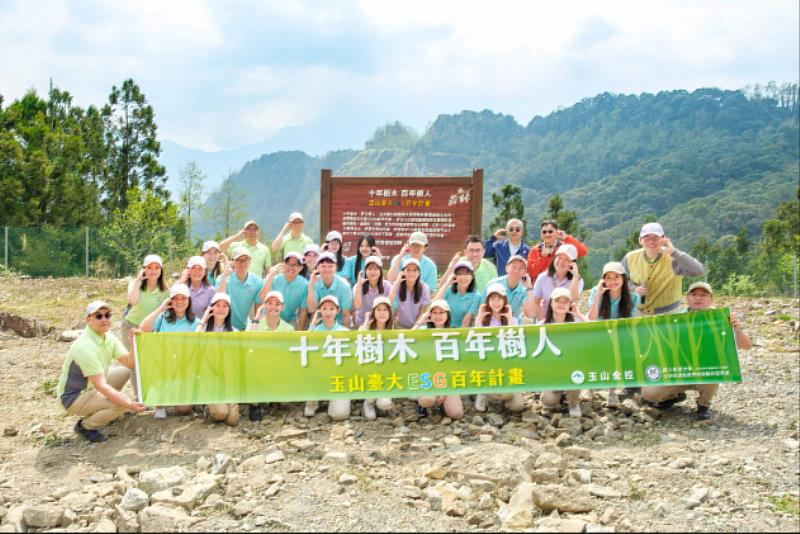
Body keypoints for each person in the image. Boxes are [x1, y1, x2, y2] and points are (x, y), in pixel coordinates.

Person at [641, 282, 752, 420]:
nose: (698, 298)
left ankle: (703, 404)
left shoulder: (721, 319)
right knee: (648, 393)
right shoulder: (676, 319)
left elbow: (747, 346)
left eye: (703, 295)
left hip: (705, 372)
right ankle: (673, 396)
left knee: (714, 368)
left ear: (711, 299)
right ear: (687, 298)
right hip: (679, 371)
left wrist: (737, 328)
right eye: (694, 294)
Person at [57, 301, 146, 442]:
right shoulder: (85, 347)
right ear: (88, 319)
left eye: (107, 315)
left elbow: (130, 363)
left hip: (93, 386)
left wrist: (133, 343)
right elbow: (101, 386)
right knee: (122, 404)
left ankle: (106, 409)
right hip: (74, 397)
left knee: (124, 371)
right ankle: (86, 426)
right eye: (98, 316)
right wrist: (128, 404)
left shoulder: (107, 336)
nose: (104, 319)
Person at [136, 283, 199, 420]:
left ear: (189, 301)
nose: (180, 302)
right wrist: (161, 308)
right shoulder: (163, 317)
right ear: (171, 301)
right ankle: (161, 404)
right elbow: (144, 328)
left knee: (184, 408)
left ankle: (174, 395)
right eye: (176, 298)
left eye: (184, 298)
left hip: (183, 367)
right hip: (162, 365)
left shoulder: (195, 322)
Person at [621, 222, 705, 316]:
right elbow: (620, 280)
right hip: (637, 311)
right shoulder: (630, 258)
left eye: (656, 237)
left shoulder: (673, 259)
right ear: (640, 240)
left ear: (663, 240)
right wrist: (634, 289)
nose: (651, 241)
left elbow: (699, 271)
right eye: (647, 237)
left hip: (668, 314)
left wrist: (674, 252)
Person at [586, 262, 640, 407]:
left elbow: (630, 322)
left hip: (619, 335)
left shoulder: (633, 297)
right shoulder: (596, 292)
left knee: (616, 353)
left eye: (616, 277)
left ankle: (612, 391)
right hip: (597, 333)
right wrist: (598, 294)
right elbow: (591, 318)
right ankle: (589, 388)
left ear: (623, 279)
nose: (612, 281)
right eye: (608, 277)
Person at [473, 284, 525, 413]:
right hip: (488, 364)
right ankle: (484, 393)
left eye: (499, 299)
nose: (496, 302)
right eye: (492, 299)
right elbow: (475, 340)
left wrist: (508, 318)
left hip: (508, 364)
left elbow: (515, 341)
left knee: (518, 406)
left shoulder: (513, 319)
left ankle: (501, 398)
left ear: (504, 301)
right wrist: (480, 317)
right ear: (487, 301)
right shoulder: (483, 320)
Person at [411, 299, 464, 420]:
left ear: (448, 315)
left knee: (456, 414)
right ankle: (421, 403)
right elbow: (406, 340)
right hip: (427, 377)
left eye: (441, 312)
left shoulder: (454, 334)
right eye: (434, 312)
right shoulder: (423, 331)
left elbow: (457, 365)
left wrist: (445, 392)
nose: (438, 316)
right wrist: (420, 322)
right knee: (427, 400)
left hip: (448, 379)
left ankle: (442, 404)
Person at [539, 287, 585, 418]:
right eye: (557, 300)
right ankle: (560, 394)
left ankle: (573, 403)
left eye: (566, 301)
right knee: (549, 401)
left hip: (572, 370)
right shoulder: (542, 325)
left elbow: (596, 332)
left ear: (571, 304)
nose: (561, 304)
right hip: (551, 372)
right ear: (551, 303)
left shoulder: (576, 323)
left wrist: (580, 316)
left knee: (575, 376)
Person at [195, 293, 239, 426]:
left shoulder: (234, 332)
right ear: (211, 308)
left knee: (233, 420)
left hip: (228, 380)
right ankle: (207, 406)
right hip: (209, 378)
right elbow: (192, 342)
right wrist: (204, 318)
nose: (221, 309)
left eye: (225, 306)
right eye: (217, 305)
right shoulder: (202, 328)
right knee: (221, 414)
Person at [305, 295, 350, 420]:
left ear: (338, 311)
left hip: (338, 376)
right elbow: (305, 346)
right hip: (318, 373)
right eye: (324, 308)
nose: (328, 312)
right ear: (320, 311)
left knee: (339, 415)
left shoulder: (344, 331)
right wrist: (312, 325)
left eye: (332, 308)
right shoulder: (315, 331)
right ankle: (312, 403)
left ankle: (333, 402)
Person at [355, 296, 395, 420]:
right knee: (371, 408)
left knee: (385, 404)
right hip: (368, 373)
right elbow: (357, 346)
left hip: (387, 375)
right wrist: (365, 326)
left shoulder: (394, 331)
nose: (382, 313)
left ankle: (379, 403)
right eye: (378, 310)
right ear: (374, 312)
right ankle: (368, 402)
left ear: (390, 313)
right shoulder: (365, 328)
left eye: (385, 310)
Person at [122, 254, 169, 353]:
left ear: (161, 270)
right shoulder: (134, 283)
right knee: (134, 362)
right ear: (144, 269)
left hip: (151, 329)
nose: (153, 271)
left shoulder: (165, 290)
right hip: (131, 327)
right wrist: (138, 282)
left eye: (157, 268)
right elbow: (133, 301)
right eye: (149, 268)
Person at [532, 244, 584, 322]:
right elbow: (535, 303)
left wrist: (575, 276)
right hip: (545, 319)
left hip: (568, 320)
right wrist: (544, 323)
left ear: (573, 263)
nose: (561, 262)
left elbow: (572, 298)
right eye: (559, 257)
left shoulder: (578, 280)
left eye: (567, 259)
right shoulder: (543, 277)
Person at [217, 247, 264, 331]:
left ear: (250, 261)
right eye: (238, 260)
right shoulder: (222, 279)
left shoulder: (257, 282)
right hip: (223, 327)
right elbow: (219, 299)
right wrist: (224, 275)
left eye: (245, 259)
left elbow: (258, 309)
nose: (242, 263)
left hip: (243, 328)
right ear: (233, 262)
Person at [260, 252, 309, 330]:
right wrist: (271, 275)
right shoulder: (275, 279)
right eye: (289, 264)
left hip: (289, 319)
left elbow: (303, 310)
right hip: (268, 316)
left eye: (295, 265)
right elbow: (262, 297)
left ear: (301, 268)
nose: (291, 267)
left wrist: (300, 331)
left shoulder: (305, 285)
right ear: (283, 265)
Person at [307, 252, 353, 326]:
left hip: (339, 324)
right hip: (319, 323)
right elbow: (312, 309)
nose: (327, 269)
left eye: (330, 266)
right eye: (323, 266)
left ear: (336, 267)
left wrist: (345, 334)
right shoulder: (314, 282)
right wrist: (311, 285)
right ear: (318, 267)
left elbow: (346, 314)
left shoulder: (345, 286)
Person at [486, 255, 536, 323]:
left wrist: (529, 288)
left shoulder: (525, 288)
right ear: (507, 268)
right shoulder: (493, 284)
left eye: (520, 268)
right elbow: (483, 307)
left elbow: (530, 314)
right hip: (492, 323)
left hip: (513, 324)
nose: (516, 271)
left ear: (525, 272)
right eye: (513, 267)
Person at [432, 260, 481, 328]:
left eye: (467, 274)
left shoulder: (476, 296)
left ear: (472, 276)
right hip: (443, 328)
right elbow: (433, 305)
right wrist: (447, 283)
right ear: (455, 276)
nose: (463, 277)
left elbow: (466, 320)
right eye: (459, 274)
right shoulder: (448, 290)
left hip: (461, 330)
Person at [389, 258, 431, 329]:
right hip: (400, 326)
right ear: (403, 272)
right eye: (408, 270)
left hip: (418, 326)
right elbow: (389, 303)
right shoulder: (398, 286)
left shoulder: (424, 287)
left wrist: (415, 327)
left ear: (419, 272)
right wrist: (396, 284)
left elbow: (423, 311)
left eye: (414, 270)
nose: (411, 273)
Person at [352, 255, 392, 328]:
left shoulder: (387, 286)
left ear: (380, 271)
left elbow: (390, 305)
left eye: (376, 269)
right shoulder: (358, 286)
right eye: (369, 269)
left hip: (382, 324)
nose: (372, 272)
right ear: (365, 271)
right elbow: (357, 306)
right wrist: (359, 286)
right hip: (362, 323)